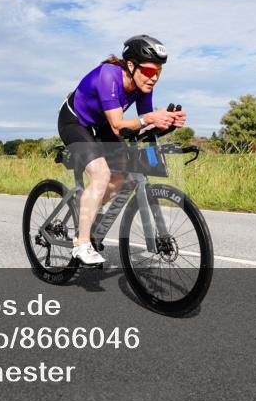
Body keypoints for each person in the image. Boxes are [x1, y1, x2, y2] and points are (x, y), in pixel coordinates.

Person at [58, 35, 186, 265]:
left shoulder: (144, 86)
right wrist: (151, 118)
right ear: (130, 65)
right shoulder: (109, 75)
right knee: (101, 174)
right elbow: (119, 125)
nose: (153, 78)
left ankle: (87, 207)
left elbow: (142, 123)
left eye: (158, 73)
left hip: (103, 125)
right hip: (75, 122)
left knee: (122, 175)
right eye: (149, 71)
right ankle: (82, 244)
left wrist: (166, 122)